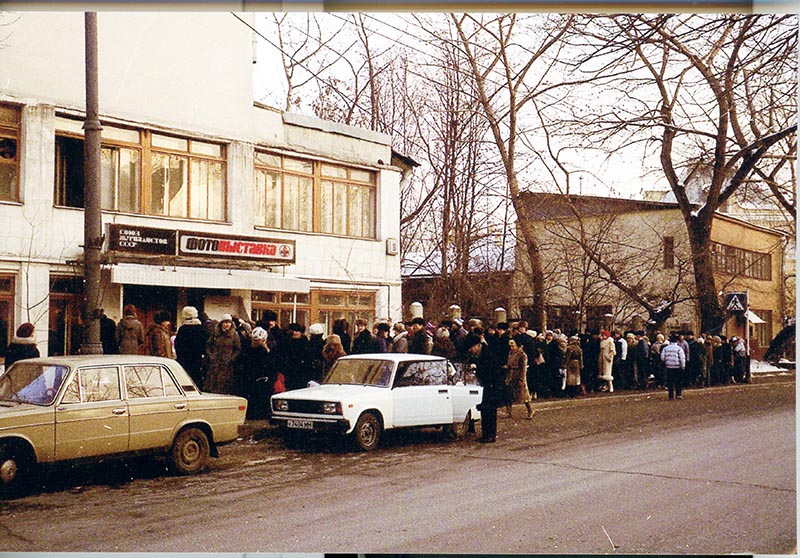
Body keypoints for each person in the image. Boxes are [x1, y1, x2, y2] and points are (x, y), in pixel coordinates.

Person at [467, 331, 504, 443]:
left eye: (472, 348)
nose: (471, 350)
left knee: (490, 411)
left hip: (491, 386)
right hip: (485, 386)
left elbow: (491, 371)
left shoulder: (488, 354)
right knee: (484, 410)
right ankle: (486, 434)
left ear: (478, 345)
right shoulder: (481, 354)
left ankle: (490, 435)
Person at [233, 326, 276, 419]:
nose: (255, 343)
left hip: (264, 377)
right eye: (254, 341)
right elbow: (241, 360)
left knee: (263, 395)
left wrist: (266, 349)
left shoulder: (271, 348)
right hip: (250, 375)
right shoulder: (248, 348)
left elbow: (273, 363)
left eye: (257, 341)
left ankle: (262, 414)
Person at [204, 314, 241, 394]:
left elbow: (237, 349)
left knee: (224, 385)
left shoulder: (234, 335)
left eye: (229, 322)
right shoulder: (215, 333)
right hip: (215, 363)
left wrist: (231, 358)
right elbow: (208, 345)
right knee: (213, 384)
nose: (227, 324)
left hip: (226, 364)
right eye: (225, 322)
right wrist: (211, 355)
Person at [174, 306, 208, 389]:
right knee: (196, 378)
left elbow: (177, 344)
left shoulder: (182, 329)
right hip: (197, 358)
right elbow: (205, 344)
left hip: (184, 359)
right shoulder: (201, 328)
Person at [505, 338, 533, 419]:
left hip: (518, 375)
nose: (511, 347)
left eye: (512, 345)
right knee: (508, 393)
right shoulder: (510, 353)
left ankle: (530, 410)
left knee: (523, 395)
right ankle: (508, 412)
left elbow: (523, 368)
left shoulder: (522, 355)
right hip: (510, 374)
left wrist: (522, 378)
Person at [661, 332, 686, 400]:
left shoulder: (666, 348)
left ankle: (671, 395)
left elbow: (662, 357)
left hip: (669, 367)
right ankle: (678, 394)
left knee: (670, 381)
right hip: (677, 367)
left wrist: (666, 362)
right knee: (678, 381)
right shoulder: (679, 349)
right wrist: (683, 366)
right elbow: (682, 358)